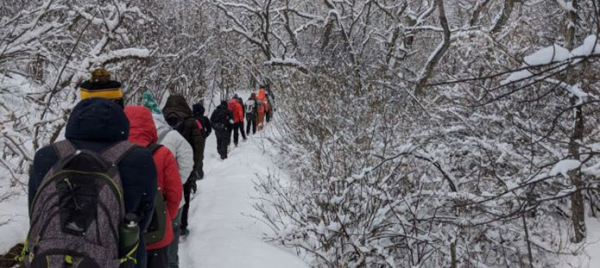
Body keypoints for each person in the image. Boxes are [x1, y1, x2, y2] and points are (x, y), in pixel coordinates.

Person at [28, 97, 157, 267]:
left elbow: (35, 209)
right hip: (117, 258)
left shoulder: (47, 155)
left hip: (48, 258)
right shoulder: (140, 158)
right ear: (122, 124)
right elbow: (144, 213)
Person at [125, 107, 183, 268]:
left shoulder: (114, 154)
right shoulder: (162, 154)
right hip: (157, 234)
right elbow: (175, 194)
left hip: (123, 236)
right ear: (150, 126)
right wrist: (164, 217)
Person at [143, 91, 193, 268]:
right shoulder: (172, 135)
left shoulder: (127, 137)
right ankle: (171, 263)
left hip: (139, 202)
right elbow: (188, 160)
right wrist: (177, 182)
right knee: (169, 234)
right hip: (170, 199)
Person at [162, 95, 204, 238]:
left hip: (162, 165)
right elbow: (198, 146)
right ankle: (181, 226)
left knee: (162, 197)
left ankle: (163, 226)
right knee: (182, 197)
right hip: (183, 165)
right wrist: (194, 168)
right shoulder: (191, 122)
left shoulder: (161, 120)